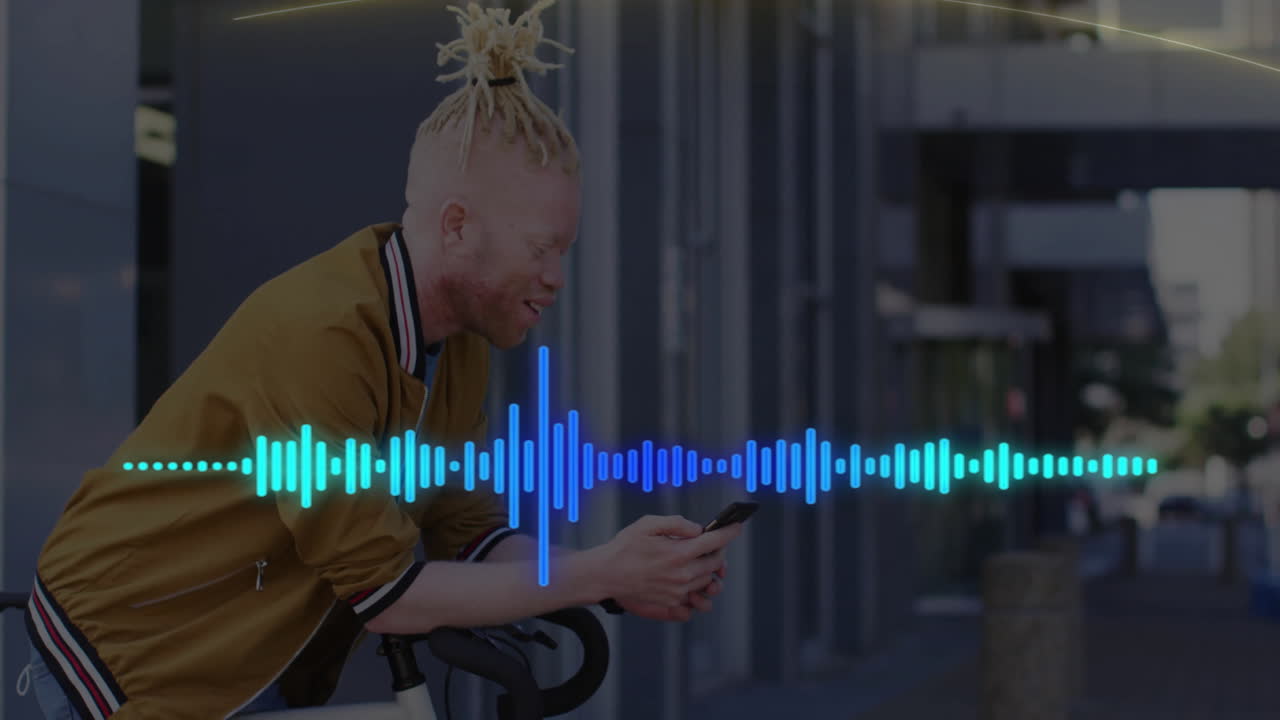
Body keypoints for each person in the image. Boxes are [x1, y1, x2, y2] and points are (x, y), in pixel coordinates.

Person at [19, 2, 744, 718]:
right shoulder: (319, 332)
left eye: (565, 251)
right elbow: (390, 594)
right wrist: (593, 574)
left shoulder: (458, 344)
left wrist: (622, 578)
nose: (557, 275)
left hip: (238, 652)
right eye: (541, 247)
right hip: (126, 651)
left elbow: (469, 533)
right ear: (458, 227)